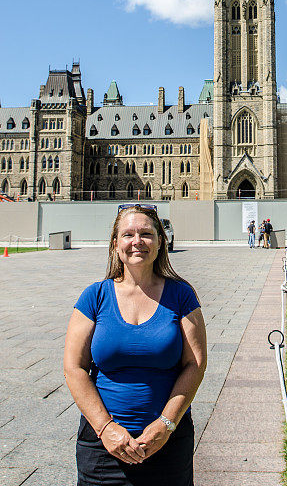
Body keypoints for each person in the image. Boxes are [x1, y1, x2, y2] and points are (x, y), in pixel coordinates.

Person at [64, 204, 207, 486]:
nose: (137, 241)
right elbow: (73, 368)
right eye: (128, 234)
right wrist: (106, 428)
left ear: (160, 241)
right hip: (103, 447)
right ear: (115, 244)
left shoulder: (182, 294)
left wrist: (165, 424)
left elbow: (196, 365)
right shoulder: (95, 296)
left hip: (167, 443)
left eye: (146, 233)